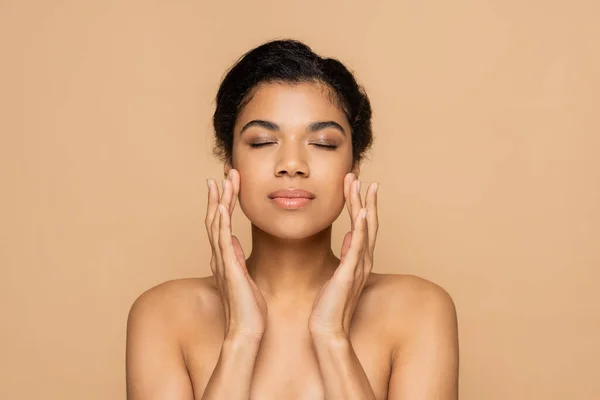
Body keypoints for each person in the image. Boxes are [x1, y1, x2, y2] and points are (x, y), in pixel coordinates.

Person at [126, 39, 459, 400]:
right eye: (263, 141)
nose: (292, 164)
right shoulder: (163, 316)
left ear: (354, 167)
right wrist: (241, 336)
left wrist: (332, 337)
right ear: (230, 165)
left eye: (323, 143)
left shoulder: (419, 310)